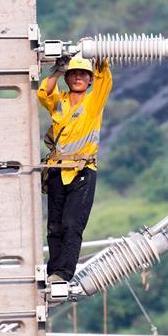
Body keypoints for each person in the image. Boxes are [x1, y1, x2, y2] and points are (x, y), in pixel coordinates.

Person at [37, 53, 112, 284]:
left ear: (90, 80)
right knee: (55, 226)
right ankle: (53, 272)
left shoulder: (93, 102)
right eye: (74, 74)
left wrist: (97, 51)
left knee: (72, 224)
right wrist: (57, 70)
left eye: (83, 74)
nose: (78, 77)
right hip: (58, 169)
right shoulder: (60, 102)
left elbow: (104, 78)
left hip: (82, 169)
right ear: (68, 79)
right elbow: (44, 93)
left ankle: (64, 273)